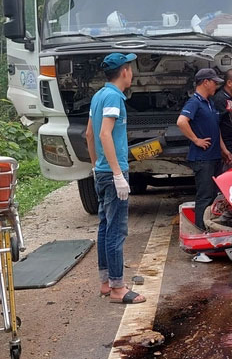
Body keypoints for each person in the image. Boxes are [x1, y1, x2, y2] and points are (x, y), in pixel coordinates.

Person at [85, 52, 146, 305]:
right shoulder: (113, 97)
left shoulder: (99, 95)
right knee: (116, 230)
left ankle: (106, 282)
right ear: (124, 72)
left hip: (102, 172)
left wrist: (96, 167)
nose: (132, 73)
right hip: (112, 173)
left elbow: (89, 134)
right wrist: (117, 174)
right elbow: (103, 134)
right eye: (130, 68)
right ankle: (118, 288)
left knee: (105, 226)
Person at [177, 68, 232, 229]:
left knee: (215, 196)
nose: (216, 86)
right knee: (205, 196)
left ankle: (211, 227)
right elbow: (181, 122)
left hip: (214, 156)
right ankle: (201, 229)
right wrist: (196, 140)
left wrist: (224, 149)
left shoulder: (209, 103)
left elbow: (215, 128)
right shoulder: (194, 102)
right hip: (203, 159)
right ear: (205, 82)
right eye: (214, 82)